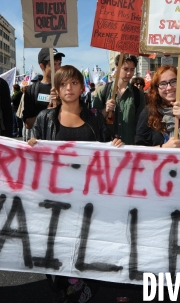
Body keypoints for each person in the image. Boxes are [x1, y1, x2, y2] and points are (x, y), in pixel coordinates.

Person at [28, 65, 122, 303]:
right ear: (56, 90)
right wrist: (30, 146)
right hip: (56, 197)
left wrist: (117, 145)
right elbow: (33, 157)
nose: (68, 88)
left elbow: (109, 150)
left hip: (88, 196)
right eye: (62, 84)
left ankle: (83, 284)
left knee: (84, 241)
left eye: (73, 83)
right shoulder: (44, 118)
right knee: (58, 243)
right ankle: (68, 283)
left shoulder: (95, 117)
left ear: (82, 87)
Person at [135, 65, 180, 149]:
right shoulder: (148, 112)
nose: (169, 87)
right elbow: (140, 150)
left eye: (173, 81)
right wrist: (164, 147)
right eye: (163, 83)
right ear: (157, 89)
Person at [92, 54, 145, 145]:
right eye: (125, 69)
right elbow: (93, 119)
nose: (129, 73)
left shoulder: (138, 94)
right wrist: (105, 110)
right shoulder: (103, 91)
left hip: (129, 145)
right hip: (108, 145)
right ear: (117, 67)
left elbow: (141, 122)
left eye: (132, 70)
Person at [22, 48, 64, 131]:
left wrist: (62, 104)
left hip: (62, 139)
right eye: (54, 64)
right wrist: (46, 113)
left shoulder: (65, 88)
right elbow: (28, 124)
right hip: (42, 141)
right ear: (42, 66)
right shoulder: (31, 91)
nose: (58, 68)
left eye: (59, 64)